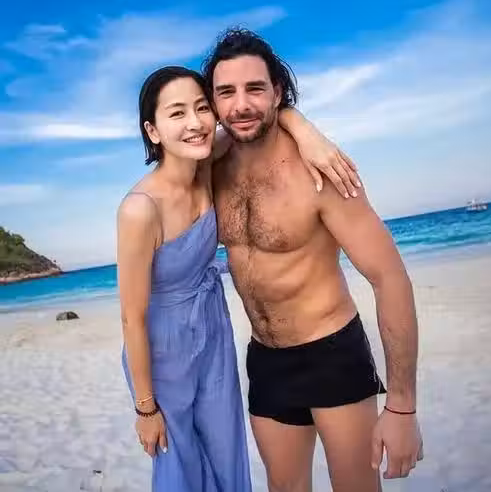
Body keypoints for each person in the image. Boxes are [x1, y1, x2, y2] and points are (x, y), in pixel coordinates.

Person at [117, 65, 362, 492]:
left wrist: (308, 134)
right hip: (164, 352)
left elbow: (256, 116)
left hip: (213, 335)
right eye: (177, 113)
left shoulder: (206, 165)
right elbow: (131, 318)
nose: (195, 123)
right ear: (152, 131)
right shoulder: (140, 210)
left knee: (226, 455)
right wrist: (145, 408)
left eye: (201, 108)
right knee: (181, 468)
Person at [204, 28, 423, 492]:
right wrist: (299, 122)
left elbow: (389, 277)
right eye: (226, 92)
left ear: (277, 92)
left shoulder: (322, 170)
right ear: (214, 101)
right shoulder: (211, 170)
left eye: (255, 88)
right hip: (265, 361)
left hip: (331, 353)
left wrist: (402, 406)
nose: (241, 104)